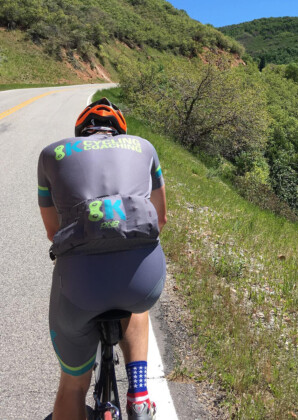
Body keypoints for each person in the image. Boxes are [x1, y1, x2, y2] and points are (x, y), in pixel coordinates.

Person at [38, 97, 167, 420]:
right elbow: (161, 219)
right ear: (119, 132)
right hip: (143, 279)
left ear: (81, 132)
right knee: (135, 304)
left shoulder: (51, 154)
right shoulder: (145, 147)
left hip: (80, 284)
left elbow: (53, 232)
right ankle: (139, 395)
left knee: (72, 384)